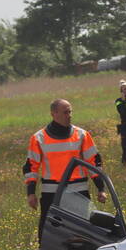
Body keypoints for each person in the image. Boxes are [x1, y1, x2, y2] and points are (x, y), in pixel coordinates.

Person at [24, 99, 107, 239]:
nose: (69, 115)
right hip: (51, 193)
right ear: (54, 114)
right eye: (65, 112)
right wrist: (31, 193)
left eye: (70, 112)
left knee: (82, 232)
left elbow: (93, 163)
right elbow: (31, 167)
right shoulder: (38, 138)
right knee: (48, 233)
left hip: (79, 191)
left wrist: (101, 188)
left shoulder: (82, 135)